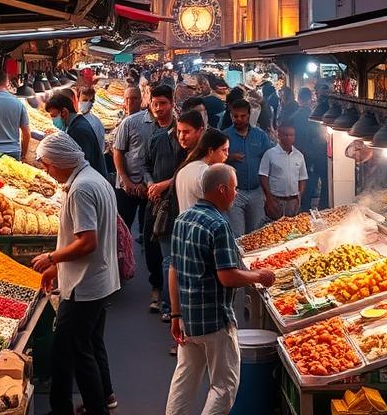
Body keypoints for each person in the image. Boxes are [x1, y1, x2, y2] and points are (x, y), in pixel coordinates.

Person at [165, 164, 276, 415]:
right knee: (224, 387)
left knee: (184, 380)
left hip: (188, 319)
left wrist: (175, 315)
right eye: (234, 188)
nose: (236, 194)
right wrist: (258, 276)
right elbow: (227, 276)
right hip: (214, 319)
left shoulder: (182, 219)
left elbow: (173, 269)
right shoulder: (218, 225)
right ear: (222, 189)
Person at [31, 132, 121, 415]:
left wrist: (51, 257)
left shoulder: (81, 189)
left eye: (47, 165)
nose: (47, 170)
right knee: (86, 346)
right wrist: (57, 269)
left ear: (59, 161)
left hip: (84, 285)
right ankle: (82, 405)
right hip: (98, 279)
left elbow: (87, 242)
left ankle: (88, 409)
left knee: (73, 350)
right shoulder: (94, 178)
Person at [113, 84, 174, 312]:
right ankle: (117, 276)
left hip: (159, 194)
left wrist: (154, 185)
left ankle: (159, 289)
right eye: (156, 103)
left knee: (154, 239)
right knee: (121, 231)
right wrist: (129, 182)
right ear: (149, 101)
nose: (159, 108)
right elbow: (118, 152)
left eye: (163, 103)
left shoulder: (176, 129)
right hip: (130, 187)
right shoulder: (131, 123)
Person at [147, 110, 207, 331]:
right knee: (172, 263)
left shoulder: (198, 159)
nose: (182, 137)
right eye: (179, 132)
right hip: (173, 216)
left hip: (184, 218)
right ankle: (172, 310)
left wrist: (164, 185)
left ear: (200, 131)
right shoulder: (173, 148)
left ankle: (175, 312)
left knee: (176, 264)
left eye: (186, 132)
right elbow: (147, 165)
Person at [223, 100, 275, 235]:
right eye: (235, 116)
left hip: (256, 192)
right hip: (235, 194)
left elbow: (268, 160)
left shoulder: (260, 135)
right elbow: (214, 162)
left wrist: (268, 193)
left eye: (243, 116)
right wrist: (229, 157)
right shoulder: (224, 137)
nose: (239, 119)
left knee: (258, 233)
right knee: (238, 234)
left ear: (249, 115)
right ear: (231, 116)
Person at [45, 92, 107, 179]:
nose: (53, 120)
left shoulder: (78, 131)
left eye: (54, 116)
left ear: (64, 112)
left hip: (92, 180)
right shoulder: (78, 123)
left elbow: (82, 164)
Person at [177, 128, 230, 214]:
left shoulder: (184, 169)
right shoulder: (206, 173)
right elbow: (218, 203)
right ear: (210, 151)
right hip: (202, 224)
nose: (227, 154)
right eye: (224, 150)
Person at [292, 88, 329, 211]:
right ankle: (322, 209)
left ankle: (305, 212)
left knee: (307, 187)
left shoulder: (296, 116)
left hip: (308, 156)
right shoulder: (316, 115)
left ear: (299, 99)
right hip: (316, 156)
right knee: (321, 186)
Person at [260, 124, 307, 219]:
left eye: (291, 135)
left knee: (292, 229)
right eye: (286, 135)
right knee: (274, 229)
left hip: (293, 201)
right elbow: (263, 176)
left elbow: (302, 178)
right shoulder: (270, 154)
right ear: (279, 135)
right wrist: (269, 198)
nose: (289, 137)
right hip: (276, 200)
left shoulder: (299, 156)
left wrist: (299, 196)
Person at [77, 84, 107, 157]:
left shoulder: (96, 123)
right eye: (84, 100)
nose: (87, 103)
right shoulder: (73, 120)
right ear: (77, 99)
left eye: (90, 101)